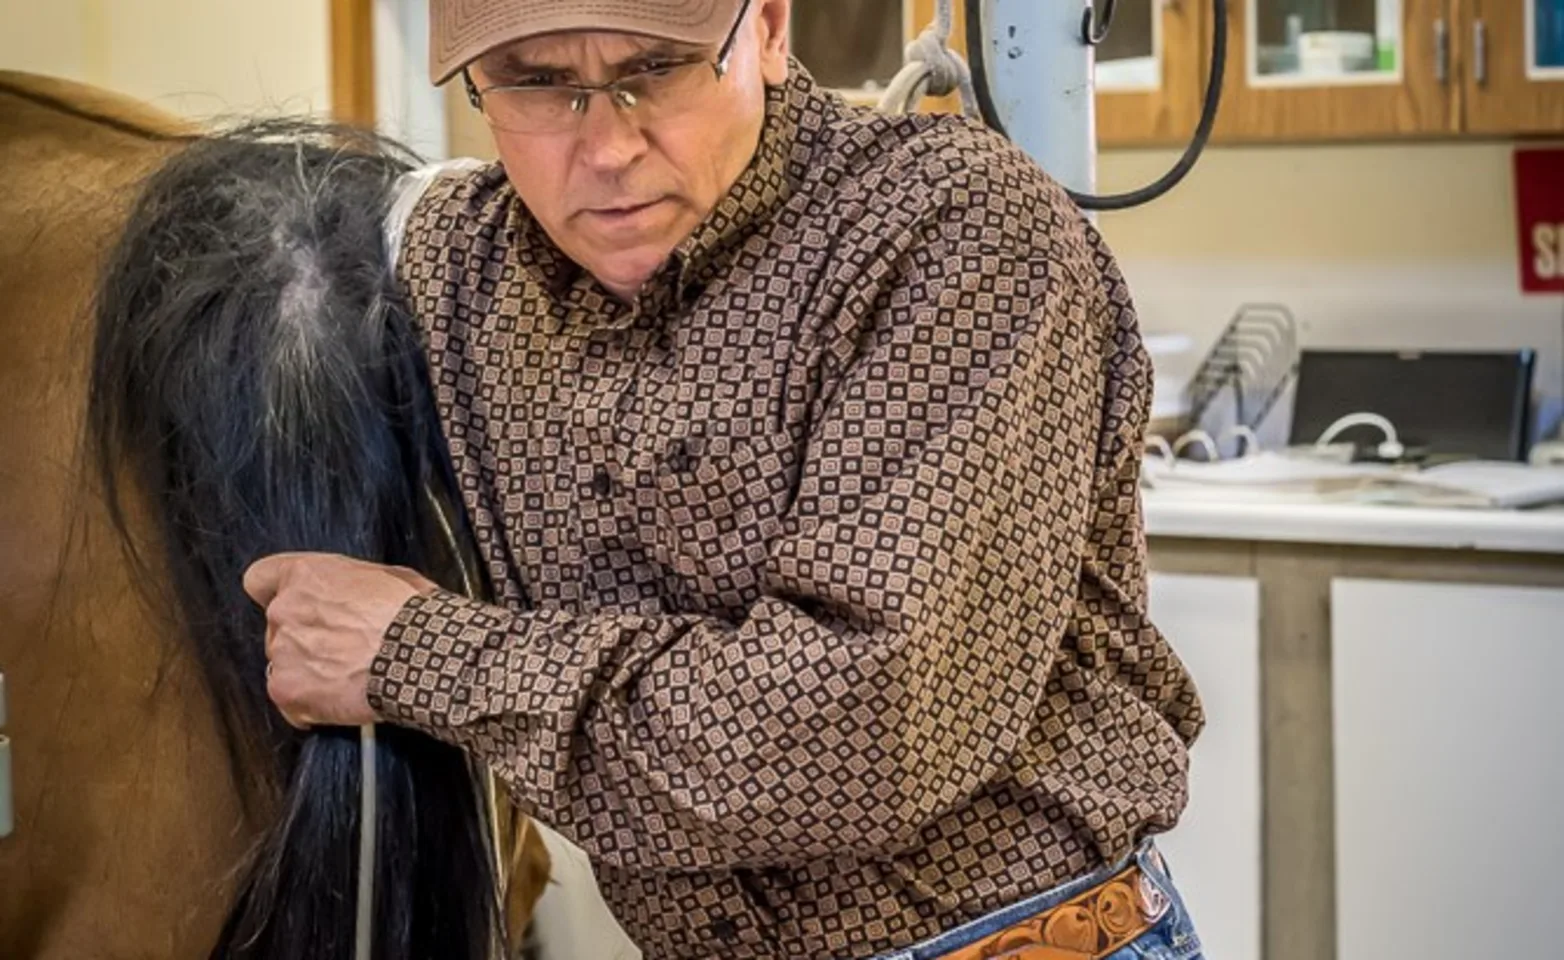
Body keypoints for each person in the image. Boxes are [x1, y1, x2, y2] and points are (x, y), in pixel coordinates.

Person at [242, 1, 1207, 957]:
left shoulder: (955, 229)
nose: (608, 147)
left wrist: (417, 654)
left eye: (656, 69)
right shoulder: (466, 267)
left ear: (772, 30)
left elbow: (862, 728)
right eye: (537, 83)